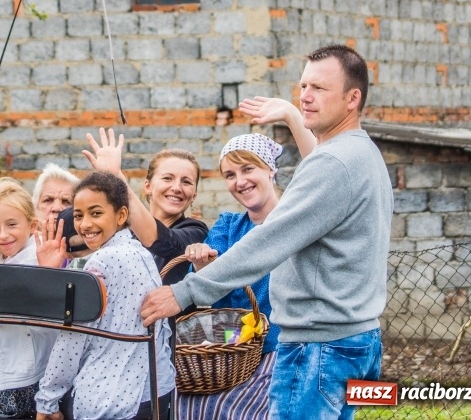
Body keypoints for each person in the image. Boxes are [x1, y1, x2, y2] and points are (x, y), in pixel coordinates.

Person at [141, 44, 393, 420]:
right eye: (303, 86)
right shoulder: (362, 154)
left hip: (318, 348)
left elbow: (269, 240)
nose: (306, 96)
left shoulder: (334, 162)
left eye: (319, 88)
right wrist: (294, 116)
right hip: (355, 340)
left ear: (352, 98)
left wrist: (186, 292)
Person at [35, 171, 175, 420]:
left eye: (96, 213)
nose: (85, 224)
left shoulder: (101, 261)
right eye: (78, 215)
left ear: (121, 215)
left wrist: (47, 400)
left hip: (110, 397)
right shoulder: (141, 253)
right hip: (155, 390)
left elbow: (73, 337)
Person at [177, 134, 287, 420]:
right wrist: (202, 265)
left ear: (270, 169)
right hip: (227, 354)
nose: (240, 182)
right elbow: (207, 289)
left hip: (277, 348)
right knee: (184, 406)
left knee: (232, 411)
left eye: (248, 169)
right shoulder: (228, 225)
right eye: (230, 174)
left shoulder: (292, 223)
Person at [0, 178, 58, 418]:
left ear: (32, 225)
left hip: (28, 375)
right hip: (1, 375)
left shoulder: (37, 261)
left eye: (12, 224)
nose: (4, 235)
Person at [83, 131, 208, 270]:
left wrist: (117, 178)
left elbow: (161, 241)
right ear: (148, 187)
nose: (177, 188)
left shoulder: (197, 231)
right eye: (167, 178)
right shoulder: (124, 233)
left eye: (186, 182)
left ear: (194, 195)